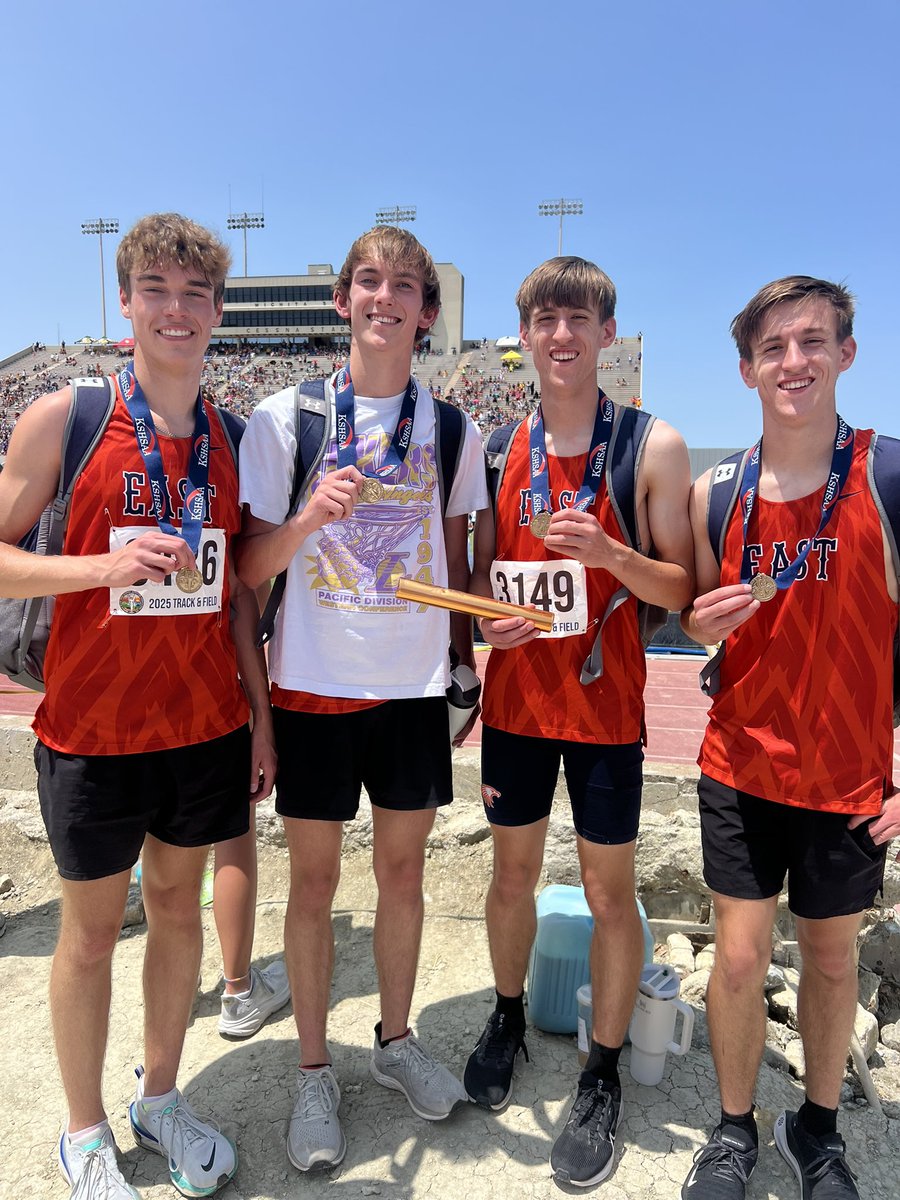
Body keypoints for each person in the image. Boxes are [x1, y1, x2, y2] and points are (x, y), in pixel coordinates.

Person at [0, 213, 276, 1200]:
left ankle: (159, 1097)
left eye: (196, 294)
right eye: (156, 289)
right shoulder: (66, 417)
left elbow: (236, 592)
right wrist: (98, 565)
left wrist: (260, 716)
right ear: (126, 303)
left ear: (216, 315)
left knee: (177, 916)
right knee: (86, 935)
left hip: (203, 728)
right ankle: (83, 1132)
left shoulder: (234, 437)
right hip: (91, 731)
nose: (177, 309)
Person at [236, 225, 489, 1174]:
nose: (385, 298)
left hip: (413, 690)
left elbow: (465, 568)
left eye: (405, 286)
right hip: (312, 688)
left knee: (403, 879)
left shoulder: (453, 428)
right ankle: (312, 1069)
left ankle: (393, 1042)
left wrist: (474, 654)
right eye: (369, 282)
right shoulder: (282, 418)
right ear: (342, 301)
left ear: (425, 311)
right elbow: (251, 578)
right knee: (311, 886)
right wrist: (308, 516)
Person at [466, 257, 694, 1186]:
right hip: (519, 707)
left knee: (609, 894)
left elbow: (681, 589)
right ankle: (509, 1013)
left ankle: (599, 1073)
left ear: (608, 335)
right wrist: (493, 618)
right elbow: (480, 578)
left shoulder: (654, 444)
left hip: (606, 711)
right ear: (524, 335)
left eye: (580, 319)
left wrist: (610, 551)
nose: (562, 335)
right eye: (546, 319)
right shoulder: (497, 447)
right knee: (511, 874)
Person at [679, 276, 897, 1200]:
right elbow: (693, 622)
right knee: (735, 956)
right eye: (774, 348)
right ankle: (732, 1131)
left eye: (812, 342)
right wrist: (698, 628)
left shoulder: (889, 477)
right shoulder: (715, 491)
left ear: (846, 354)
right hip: (740, 763)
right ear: (745, 370)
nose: (793, 362)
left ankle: (818, 1129)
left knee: (834, 956)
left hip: (849, 777)